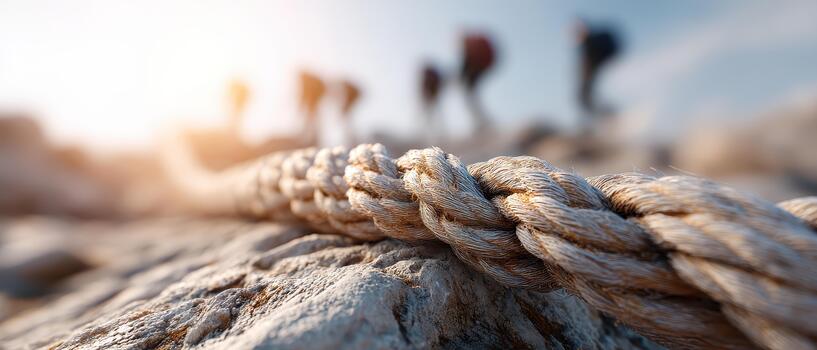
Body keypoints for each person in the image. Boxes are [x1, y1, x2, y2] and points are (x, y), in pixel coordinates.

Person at [574, 19, 621, 124]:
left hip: (604, 69)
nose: (577, 36)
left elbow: (587, 68)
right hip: (593, 77)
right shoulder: (586, 48)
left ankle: (611, 117)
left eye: (578, 31)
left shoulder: (594, 41)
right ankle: (608, 118)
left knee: (584, 98)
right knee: (584, 99)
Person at [459, 32, 496, 132]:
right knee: (470, 95)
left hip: (479, 66)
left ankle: (483, 122)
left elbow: (465, 67)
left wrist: (461, 78)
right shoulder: (473, 46)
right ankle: (483, 121)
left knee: (469, 95)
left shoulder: (470, 49)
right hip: (483, 65)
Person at [299, 70, 327, 146]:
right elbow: (303, 95)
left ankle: (311, 139)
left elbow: (304, 95)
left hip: (315, 98)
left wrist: (302, 105)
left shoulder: (309, 81)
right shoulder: (308, 80)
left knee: (312, 118)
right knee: (311, 117)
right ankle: (308, 138)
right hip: (314, 98)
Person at [338, 80, 361, 146]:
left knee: (346, 120)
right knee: (346, 119)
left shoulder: (338, 86)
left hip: (351, 92)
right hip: (351, 92)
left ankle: (352, 142)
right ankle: (352, 141)